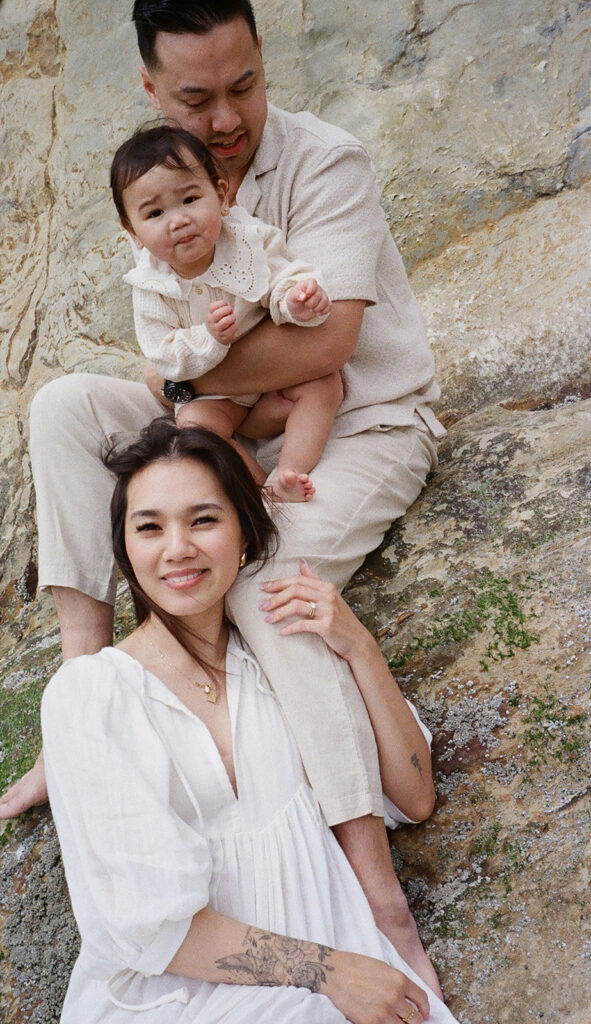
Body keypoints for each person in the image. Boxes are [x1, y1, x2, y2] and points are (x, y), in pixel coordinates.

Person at [2, 0, 445, 993]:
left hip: (354, 420)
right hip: (219, 415)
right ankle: (79, 704)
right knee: (68, 406)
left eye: (245, 84)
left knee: (267, 584)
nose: (229, 118)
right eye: (198, 98)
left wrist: (194, 379)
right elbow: (158, 358)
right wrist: (194, 389)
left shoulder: (327, 162)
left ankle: (378, 897)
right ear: (151, 90)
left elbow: (326, 346)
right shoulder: (154, 176)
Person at [41, 419, 458, 1024]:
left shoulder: (284, 664)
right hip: (177, 1002)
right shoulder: (91, 693)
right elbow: (149, 928)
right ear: (125, 549)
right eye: (149, 527)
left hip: (343, 992)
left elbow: (414, 795)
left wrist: (359, 645)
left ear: (244, 534)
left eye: (203, 520)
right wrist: (327, 971)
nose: (177, 548)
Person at [113, 123, 340, 503]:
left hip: (275, 378)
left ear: (220, 195)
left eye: (189, 200)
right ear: (132, 231)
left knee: (325, 385)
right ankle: (260, 490)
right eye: (154, 213)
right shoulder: (151, 285)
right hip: (218, 396)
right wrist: (208, 338)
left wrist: (297, 300)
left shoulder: (248, 241)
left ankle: (290, 469)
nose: (178, 220)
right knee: (193, 429)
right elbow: (162, 353)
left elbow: (281, 275)